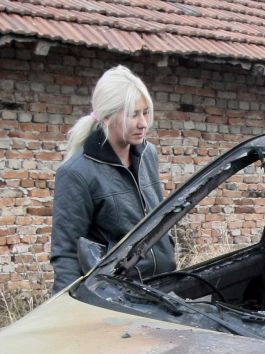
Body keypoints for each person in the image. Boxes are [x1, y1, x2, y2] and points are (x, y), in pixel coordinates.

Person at [50, 66, 175, 294]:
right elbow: (66, 252)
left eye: (145, 112)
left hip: (163, 287)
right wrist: (66, 311)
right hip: (118, 297)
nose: (143, 123)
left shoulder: (148, 154)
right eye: (133, 114)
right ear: (107, 116)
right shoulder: (77, 172)